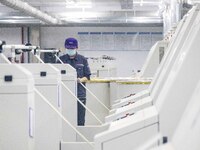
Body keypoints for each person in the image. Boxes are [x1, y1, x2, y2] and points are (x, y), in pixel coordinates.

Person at [59, 37, 91, 126]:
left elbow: (87, 77)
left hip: (80, 94)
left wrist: (80, 80)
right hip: (64, 94)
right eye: (68, 48)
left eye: (72, 48)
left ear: (77, 48)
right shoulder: (60, 60)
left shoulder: (82, 59)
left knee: (80, 120)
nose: (70, 50)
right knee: (65, 120)